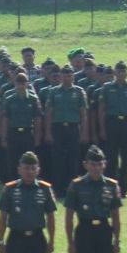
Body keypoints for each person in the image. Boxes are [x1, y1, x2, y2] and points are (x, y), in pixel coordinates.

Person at [42, 66, 89, 196]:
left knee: (73, 159)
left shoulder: (79, 91)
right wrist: (47, 133)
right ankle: (58, 189)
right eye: (65, 76)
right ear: (61, 77)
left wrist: (84, 132)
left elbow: (83, 114)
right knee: (58, 159)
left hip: (73, 128)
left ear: (73, 76)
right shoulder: (54, 92)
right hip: (58, 128)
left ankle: (72, 189)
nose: (67, 78)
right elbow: (48, 114)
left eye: (69, 76)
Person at [99, 61, 127, 192]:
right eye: (118, 71)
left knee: (126, 158)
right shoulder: (107, 87)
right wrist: (102, 129)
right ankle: (111, 188)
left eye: (123, 71)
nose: (121, 74)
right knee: (111, 158)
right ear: (115, 73)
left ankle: (124, 189)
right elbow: (102, 109)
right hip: (112, 123)